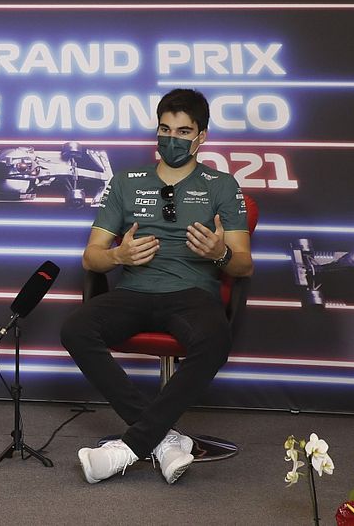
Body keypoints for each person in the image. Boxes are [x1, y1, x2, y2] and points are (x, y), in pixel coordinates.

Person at [60, 88, 253, 485]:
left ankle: (130, 446)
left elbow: (244, 264)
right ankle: (163, 440)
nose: (172, 138)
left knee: (216, 339)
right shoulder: (126, 181)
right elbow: (90, 257)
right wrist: (118, 257)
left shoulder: (221, 184)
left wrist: (218, 254)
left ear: (202, 137)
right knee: (75, 329)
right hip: (133, 292)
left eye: (184, 131)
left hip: (191, 295)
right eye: (165, 128)